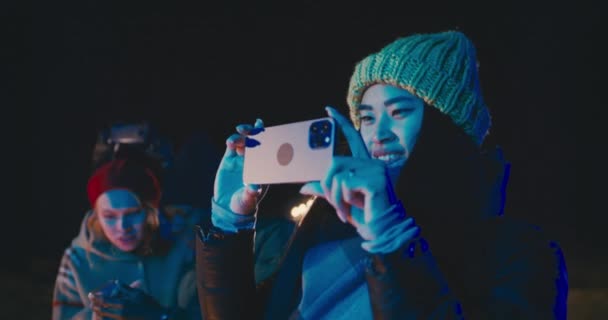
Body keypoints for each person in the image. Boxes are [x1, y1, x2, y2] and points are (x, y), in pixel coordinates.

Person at [194, 30, 568, 319]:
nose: (378, 133)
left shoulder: (517, 251)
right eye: (368, 117)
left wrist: (390, 239)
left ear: (446, 128)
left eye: (400, 112)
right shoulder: (329, 224)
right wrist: (230, 223)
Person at [52, 157, 203, 319]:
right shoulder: (77, 259)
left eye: (132, 213)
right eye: (109, 216)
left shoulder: (186, 246)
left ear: (151, 212)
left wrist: (156, 316)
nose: (123, 227)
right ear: (97, 217)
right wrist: (99, 312)